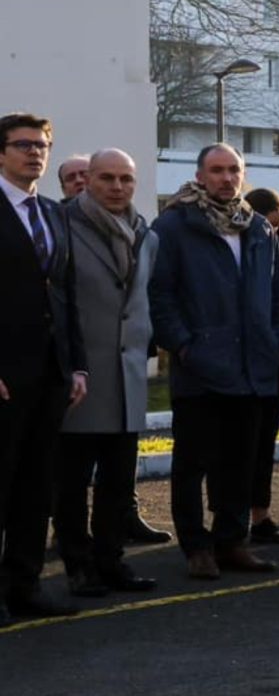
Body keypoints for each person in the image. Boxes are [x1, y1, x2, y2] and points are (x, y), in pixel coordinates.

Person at [148, 144, 279, 581]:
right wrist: (186, 346)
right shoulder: (175, 225)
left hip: (252, 367)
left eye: (234, 170)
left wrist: (278, 340)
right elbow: (160, 295)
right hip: (201, 368)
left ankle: (232, 541)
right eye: (217, 170)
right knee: (192, 463)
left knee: (240, 462)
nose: (227, 178)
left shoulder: (258, 229)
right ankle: (196, 548)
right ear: (200, 174)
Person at [55, 149, 156, 596]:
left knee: (119, 482)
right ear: (88, 180)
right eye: (107, 178)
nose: (117, 187)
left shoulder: (144, 233)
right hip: (81, 375)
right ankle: (78, 565)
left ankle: (112, 560)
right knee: (72, 483)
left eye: (126, 179)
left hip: (127, 375)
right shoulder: (63, 226)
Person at [0, 114, 86, 623]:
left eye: (43, 145)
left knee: (36, 486)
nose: (35, 153)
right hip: (6, 374)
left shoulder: (54, 213)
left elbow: (66, 295)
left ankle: (24, 586)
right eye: (23, 145)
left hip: (50, 373)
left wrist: (77, 367)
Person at [241, 186, 279, 545]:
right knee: (245, 446)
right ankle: (237, 517)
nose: (273, 231)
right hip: (249, 360)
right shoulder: (247, 243)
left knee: (265, 444)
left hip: (275, 359)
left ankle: (260, 513)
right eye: (270, 223)